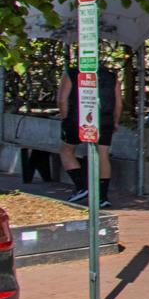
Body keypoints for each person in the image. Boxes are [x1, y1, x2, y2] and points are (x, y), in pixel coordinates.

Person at [57, 52, 121, 207]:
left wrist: (64, 116)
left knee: (66, 150)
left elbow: (62, 99)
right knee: (103, 154)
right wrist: (115, 121)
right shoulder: (112, 77)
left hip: (76, 117)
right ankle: (102, 196)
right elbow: (118, 103)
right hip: (104, 119)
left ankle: (81, 186)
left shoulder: (72, 73)